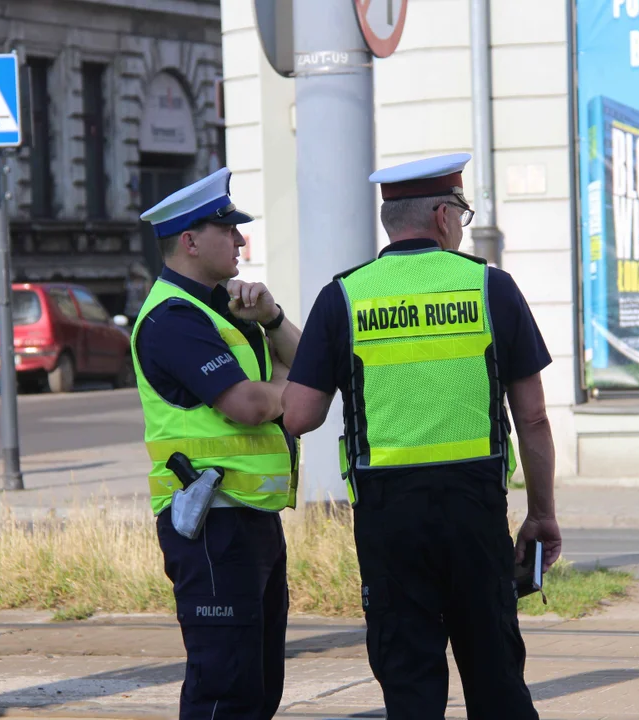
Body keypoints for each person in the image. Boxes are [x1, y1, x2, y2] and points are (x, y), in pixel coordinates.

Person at [282, 153, 561, 720]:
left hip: (388, 523)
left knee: (409, 681)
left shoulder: (344, 297)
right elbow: (532, 419)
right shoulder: (491, 289)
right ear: (441, 216)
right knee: (496, 677)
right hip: (474, 514)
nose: (461, 223)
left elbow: (300, 415)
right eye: (461, 211)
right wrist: (541, 513)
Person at [134, 167, 302, 720]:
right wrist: (284, 389)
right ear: (189, 241)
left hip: (249, 520)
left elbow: (304, 370)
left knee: (257, 691)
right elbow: (250, 405)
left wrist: (273, 317)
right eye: (228, 230)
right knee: (224, 693)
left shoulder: (222, 309)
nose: (240, 240)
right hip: (212, 526)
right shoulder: (173, 317)